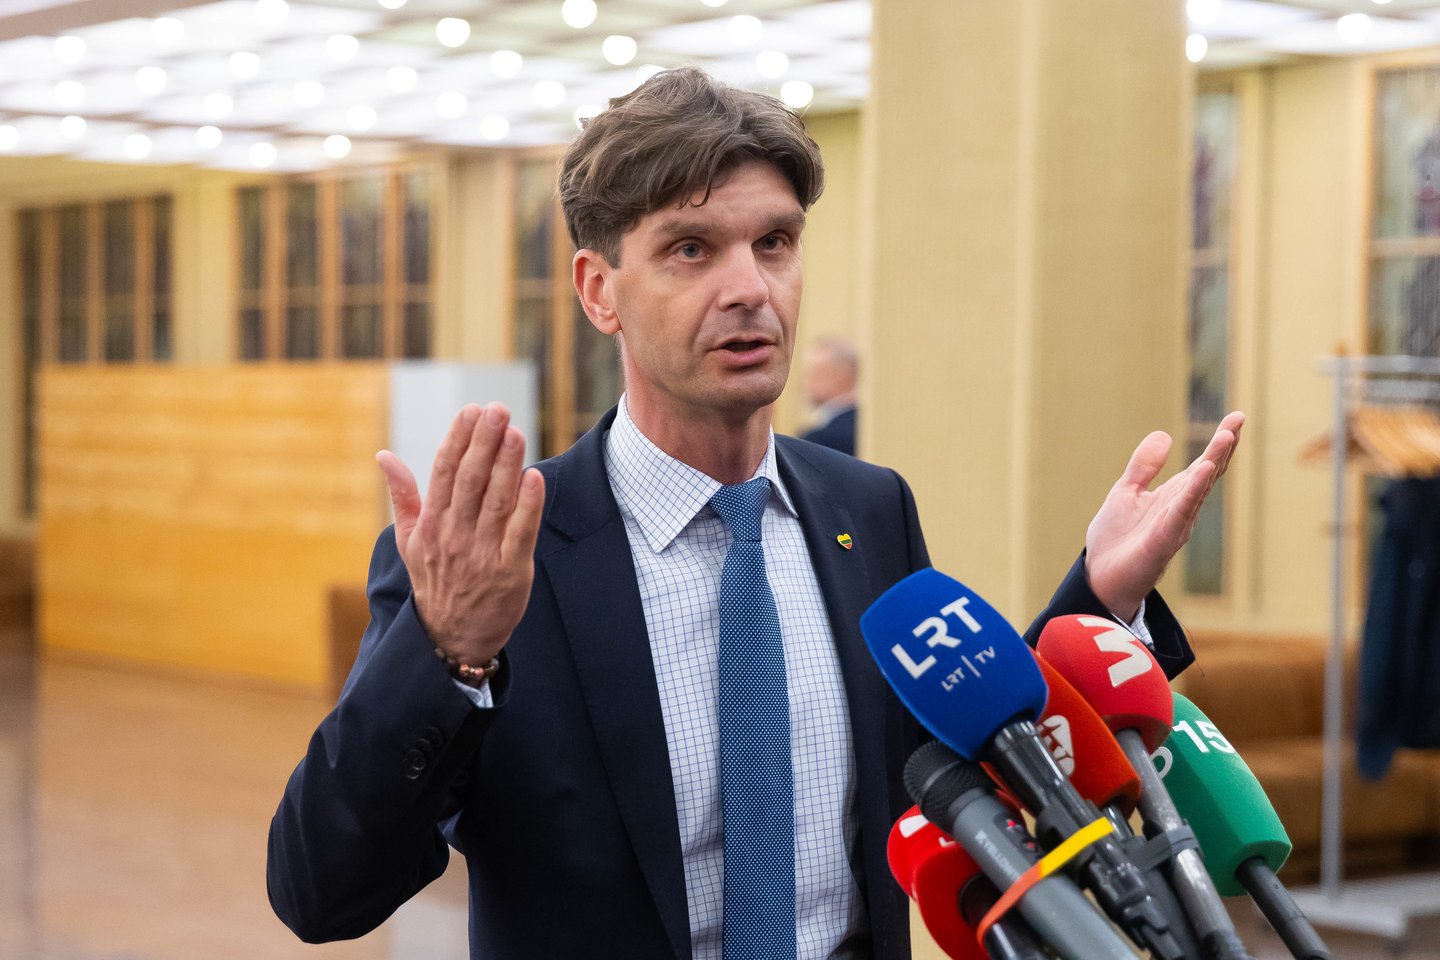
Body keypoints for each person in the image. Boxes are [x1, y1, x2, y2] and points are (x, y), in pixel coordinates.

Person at [267, 67, 1244, 960]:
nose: (749, 289)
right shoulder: (503, 559)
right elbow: (322, 891)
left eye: (773, 243)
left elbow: (977, 768)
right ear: (599, 291)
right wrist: (450, 653)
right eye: (690, 249)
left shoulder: (870, 509)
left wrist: (1101, 598)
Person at [798, 336, 858, 456]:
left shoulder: (821, 439)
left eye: (814, 374)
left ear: (840, 376)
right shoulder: (862, 426)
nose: (803, 382)